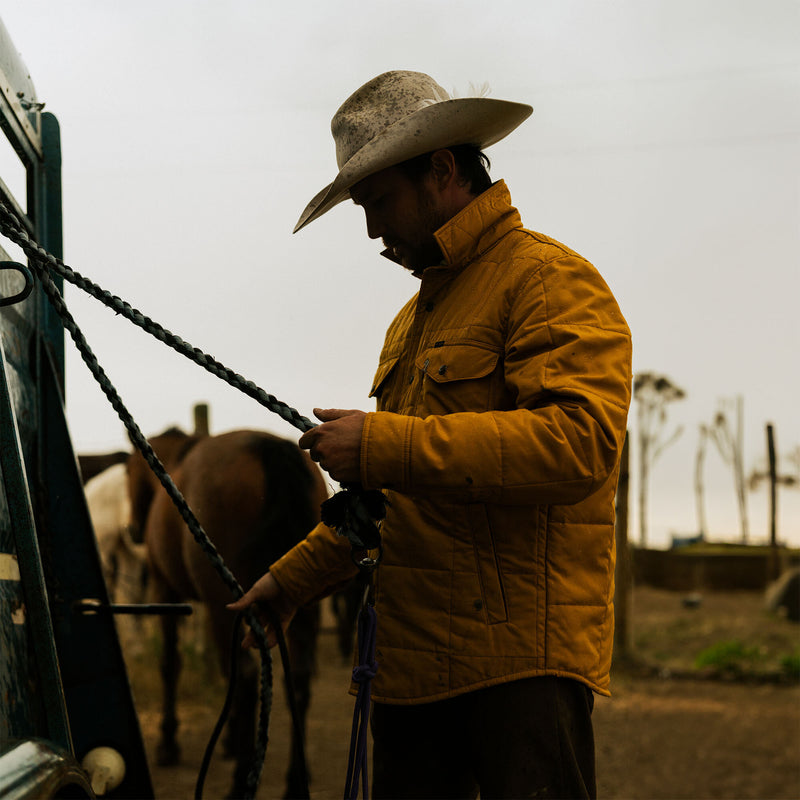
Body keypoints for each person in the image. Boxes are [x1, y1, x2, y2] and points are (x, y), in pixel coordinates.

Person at [228, 70, 632, 799]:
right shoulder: (411, 324)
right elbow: (401, 504)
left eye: (378, 201)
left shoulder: (549, 281)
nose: (373, 229)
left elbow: (579, 445)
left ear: (442, 171)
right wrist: (289, 585)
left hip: (518, 675)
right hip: (409, 676)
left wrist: (383, 445)